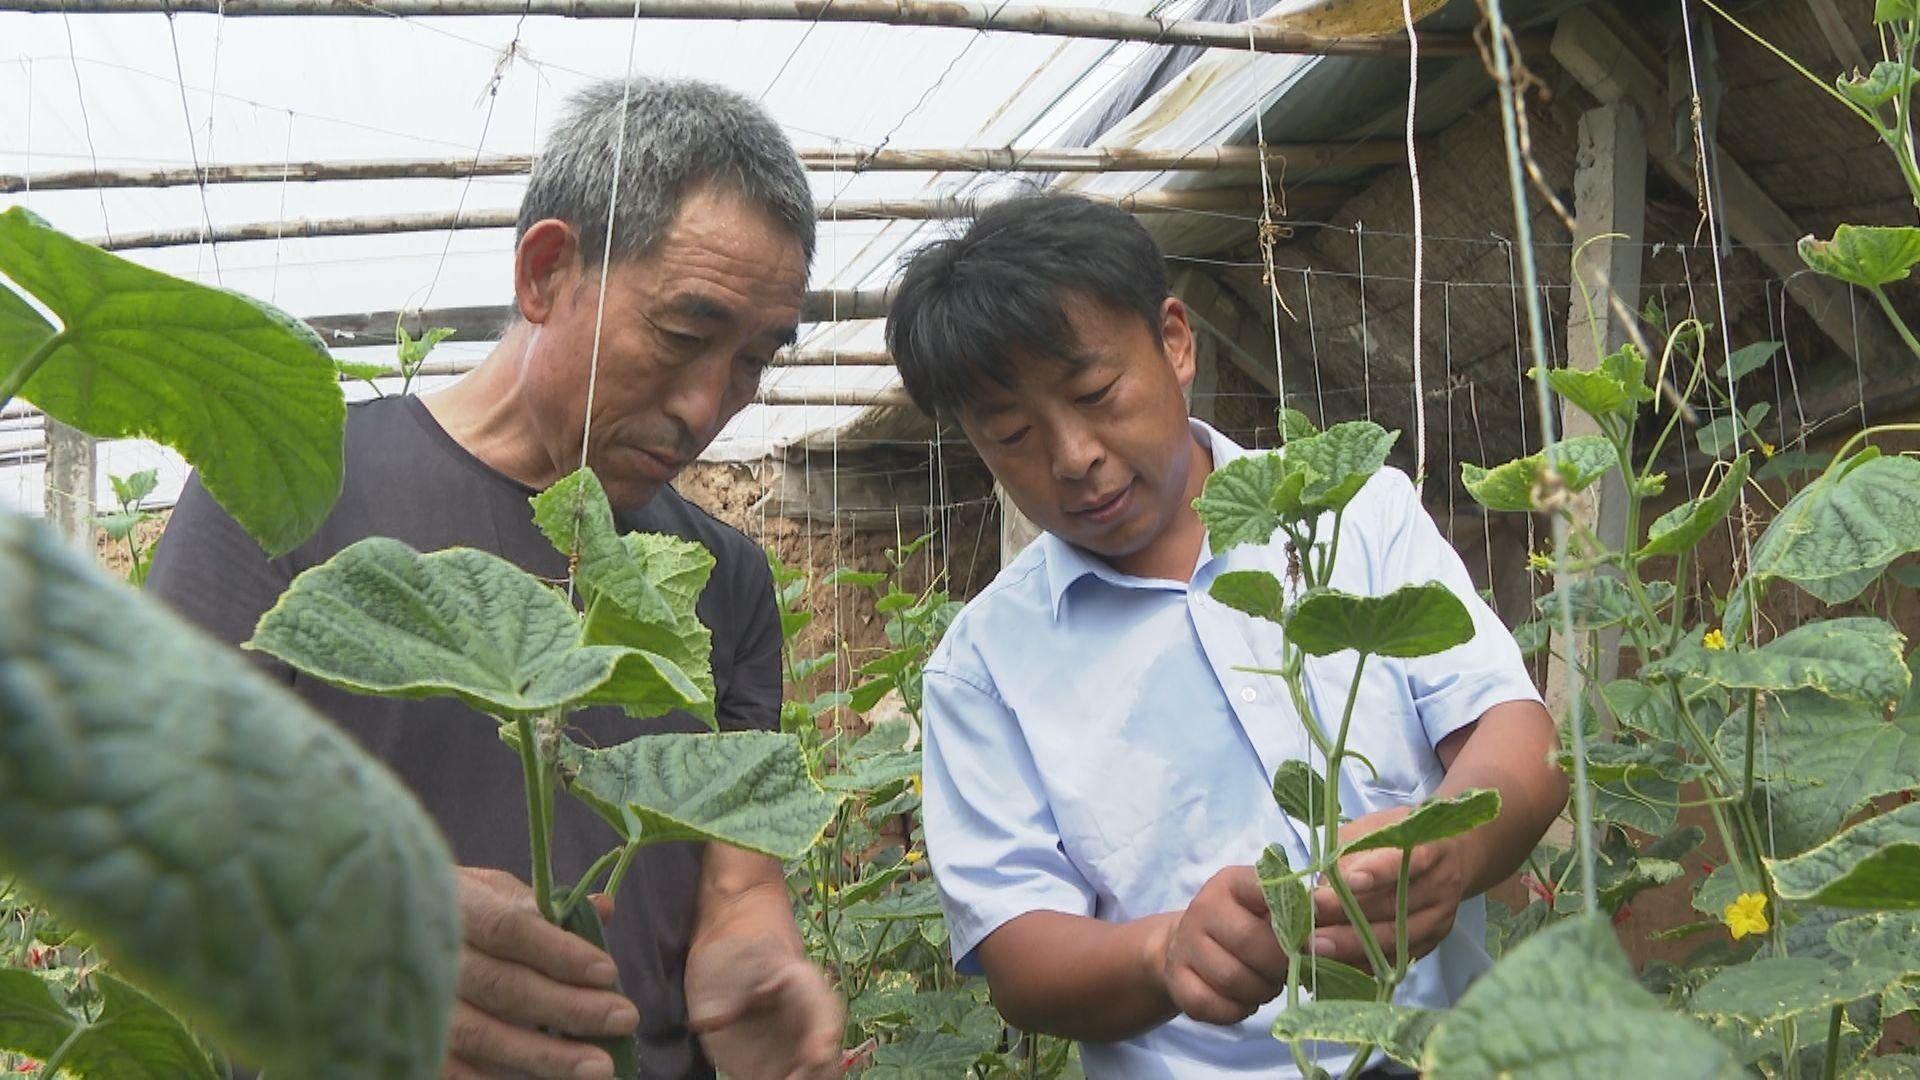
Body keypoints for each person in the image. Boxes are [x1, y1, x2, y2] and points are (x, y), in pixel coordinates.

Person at [148, 77, 843, 1080]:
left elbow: (736, 873)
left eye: (752, 363)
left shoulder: (718, 575)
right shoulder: (286, 486)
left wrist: (757, 960)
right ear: (547, 271)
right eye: (686, 336)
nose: (708, 407)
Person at [884, 193, 1568, 1078]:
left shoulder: (1352, 514)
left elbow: (1515, 736)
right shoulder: (982, 670)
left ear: (1173, 342)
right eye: (1012, 434)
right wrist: (1162, 953)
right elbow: (1018, 952)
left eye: (1095, 394)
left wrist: (1451, 840)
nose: (1071, 455)